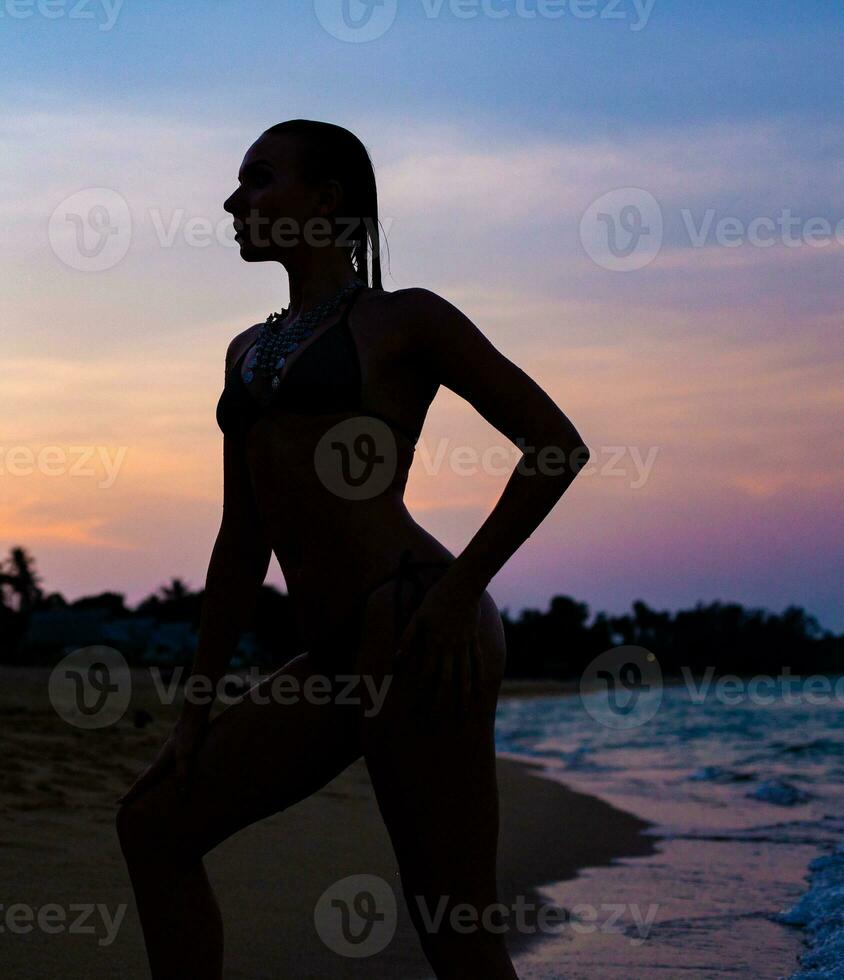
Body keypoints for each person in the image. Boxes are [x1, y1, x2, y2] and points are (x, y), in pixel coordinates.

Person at [115, 119, 588, 979]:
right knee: (152, 825)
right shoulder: (244, 354)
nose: (233, 201)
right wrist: (196, 709)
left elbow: (555, 446)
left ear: (326, 201)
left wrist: (456, 596)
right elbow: (239, 542)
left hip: (416, 626)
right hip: (330, 654)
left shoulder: (406, 322)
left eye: (259, 180)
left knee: (454, 925)